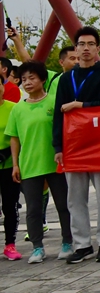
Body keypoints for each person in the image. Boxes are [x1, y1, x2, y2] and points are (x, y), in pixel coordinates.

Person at [52, 26, 100, 263]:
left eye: (91, 44)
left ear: (98, 48)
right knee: (75, 197)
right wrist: (58, 147)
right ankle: (81, 244)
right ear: (76, 48)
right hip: (73, 146)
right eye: (82, 44)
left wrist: (79, 105)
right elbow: (58, 115)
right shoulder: (65, 78)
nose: (86, 49)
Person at [8, 61, 72, 263]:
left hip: (55, 163)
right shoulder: (18, 109)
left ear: (43, 79)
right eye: (24, 79)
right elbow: (14, 138)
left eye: (32, 78)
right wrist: (16, 164)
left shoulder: (54, 102)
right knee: (33, 209)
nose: (27, 82)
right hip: (29, 165)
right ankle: (37, 247)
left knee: (63, 205)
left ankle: (68, 242)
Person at [0, 79, 21, 261]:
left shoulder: (14, 108)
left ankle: (10, 244)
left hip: (8, 165)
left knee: (10, 206)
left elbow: (18, 134)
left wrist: (8, 155)